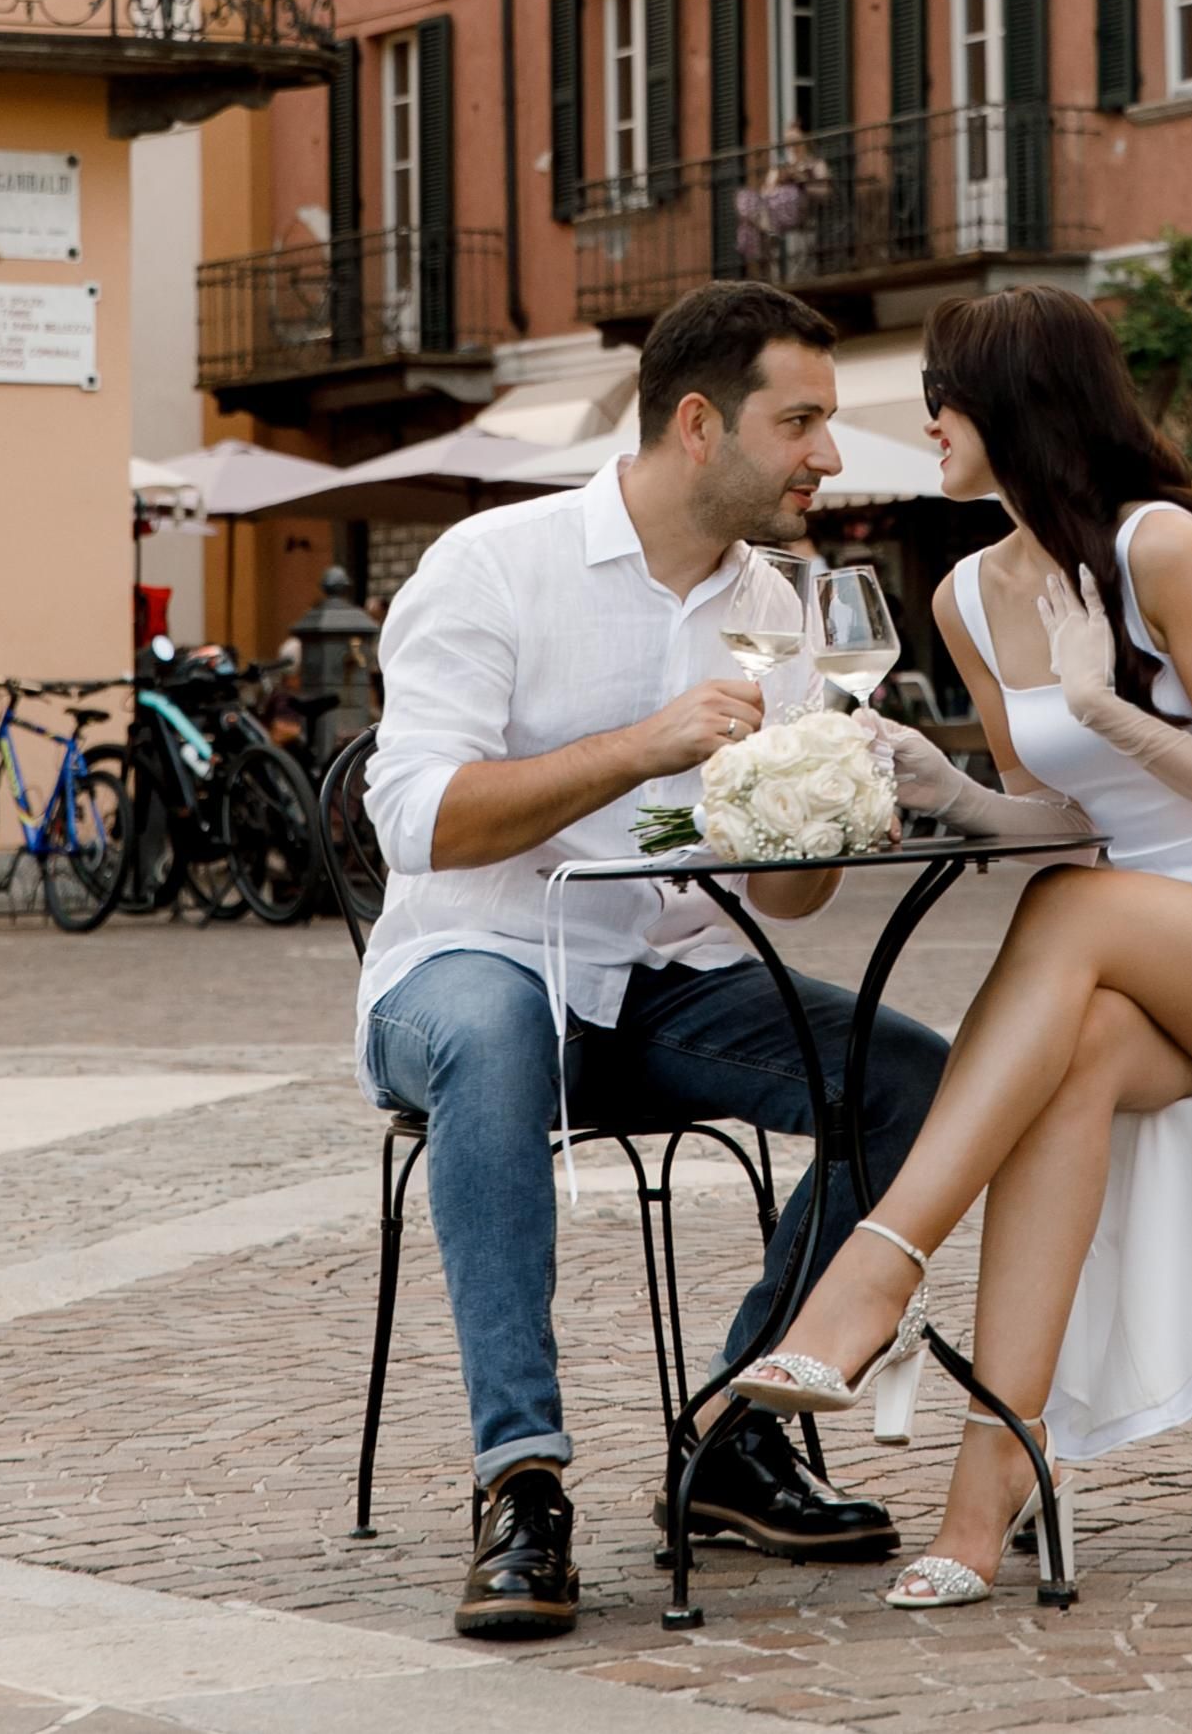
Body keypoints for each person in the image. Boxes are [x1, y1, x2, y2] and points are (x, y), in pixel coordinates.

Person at [736, 284, 1192, 1605]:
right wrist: (949, 790)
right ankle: (981, 1507)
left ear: (1015, 405)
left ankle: (873, 1275)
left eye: (945, 395)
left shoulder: (1160, 549)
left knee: (1071, 910)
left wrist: (1104, 705)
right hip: (1143, 962)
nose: (928, 420)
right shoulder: (967, 596)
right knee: (1068, 1057)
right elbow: (1067, 821)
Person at [358, 280, 947, 1640]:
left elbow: (781, 897)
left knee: (913, 1080)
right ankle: (521, 1481)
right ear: (698, 424)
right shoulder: (492, 565)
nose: (827, 454)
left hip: (665, 981)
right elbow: (417, 821)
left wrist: (826, 803)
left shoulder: (777, 604)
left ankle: (739, 1434)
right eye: (799, 420)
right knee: (497, 1032)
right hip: (471, 962)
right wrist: (642, 746)